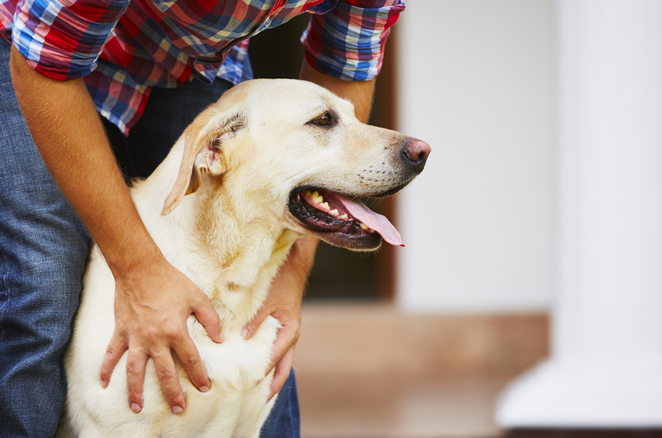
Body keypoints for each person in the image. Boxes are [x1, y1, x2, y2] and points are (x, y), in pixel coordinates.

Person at [0, 0, 404, 436]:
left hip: (195, 58)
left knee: (263, 317)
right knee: (40, 292)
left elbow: (344, 65)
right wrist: (139, 271)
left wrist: (291, 269)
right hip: (36, 52)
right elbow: (44, 60)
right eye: (322, 121)